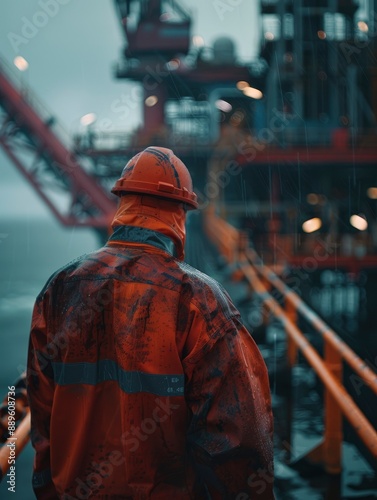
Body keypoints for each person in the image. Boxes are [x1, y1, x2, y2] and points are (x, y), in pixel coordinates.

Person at [27, 146, 274, 499]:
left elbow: (42, 418)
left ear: (122, 203)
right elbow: (237, 437)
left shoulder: (59, 289)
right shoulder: (197, 300)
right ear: (181, 213)